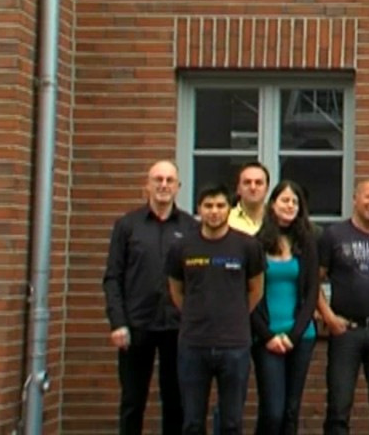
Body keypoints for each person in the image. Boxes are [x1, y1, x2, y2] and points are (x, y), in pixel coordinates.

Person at [102, 160, 196, 435]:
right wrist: (118, 322)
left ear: (178, 187)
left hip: (177, 327)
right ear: (147, 185)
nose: (163, 185)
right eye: (158, 179)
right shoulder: (127, 226)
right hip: (135, 326)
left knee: (176, 402)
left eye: (169, 180)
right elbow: (112, 277)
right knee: (132, 402)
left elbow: (196, 279)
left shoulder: (190, 227)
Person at [166, 183, 265, 435]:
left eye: (220, 205)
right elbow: (176, 290)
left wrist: (235, 314)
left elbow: (256, 289)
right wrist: (195, 313)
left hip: (234, 345)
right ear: (199, 209)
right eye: (208, 206)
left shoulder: (247, 246)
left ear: (229, 209)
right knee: (192, 422)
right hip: (193, 344)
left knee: (231, 422)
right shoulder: (181, 247)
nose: (214, 211)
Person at [318, 179, 369, 435]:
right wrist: (329, 317)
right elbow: (313, 282)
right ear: (355, 199)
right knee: (338, 409)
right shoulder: (334, 235)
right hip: (346, 332)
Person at [249, 180, 321, 435]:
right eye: (285, 200)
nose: (290, 205)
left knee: (291, 411)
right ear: (272, 204)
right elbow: (248, 295)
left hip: (300, 337)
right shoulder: (256, 244)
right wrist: (268, 336)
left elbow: (312, 292)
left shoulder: (307, 243)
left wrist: (294, 336)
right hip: (266, 338)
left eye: (295, 202)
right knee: (272, 411)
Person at [229, 161, 270, 235]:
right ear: (238, 188)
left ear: (267, 189)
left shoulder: (277, 218)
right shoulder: (226, 220)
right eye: (247, 182)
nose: (253, 187)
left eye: (258, 183)